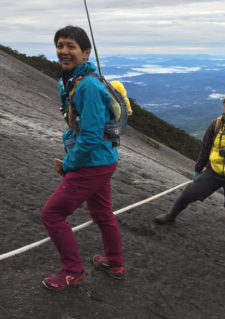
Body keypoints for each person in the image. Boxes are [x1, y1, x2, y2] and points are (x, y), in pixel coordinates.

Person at [40, 26, 125, 291]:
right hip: (104, 159)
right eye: (60, 45)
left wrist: (68, 165)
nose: (63, 51)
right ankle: (114, 262)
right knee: (102, 213)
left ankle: (72, 271)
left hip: (92, 163)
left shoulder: (87, 85)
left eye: (71, 46)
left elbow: (89, 136)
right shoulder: (76, 80)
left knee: (51, 215)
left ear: (86, 53)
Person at [154, 89, 225, 254]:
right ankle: (171, 215)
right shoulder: (215, 124)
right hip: (214, 170)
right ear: (223, 104)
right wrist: (198, 169)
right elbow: (206, 147)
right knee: (189, 193)